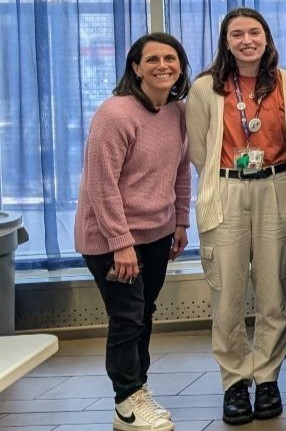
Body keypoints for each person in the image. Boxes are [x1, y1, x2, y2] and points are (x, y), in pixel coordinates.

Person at [186, 9, 286, 424]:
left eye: (254, 32)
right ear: (226, 41)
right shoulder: (204, 88)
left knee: (273, 294)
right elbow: (199, 153)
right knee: (228, 297)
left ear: (267, 38)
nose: (247, 40)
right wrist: (230, 177)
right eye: (237, 34)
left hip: (276, 188)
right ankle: (235, 381)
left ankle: (267, 378)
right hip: (227, 190)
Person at [76, 33, 192, 431]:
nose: (164, 66)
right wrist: (120, 244)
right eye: (153, 59)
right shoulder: (115, 113)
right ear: (136, 67)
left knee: (143, 314)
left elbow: (179, 170)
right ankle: (126, 401)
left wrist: (180, 221)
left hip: (157, 235)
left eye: (171, 59)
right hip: (112, 239)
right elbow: (101, 184)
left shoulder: (176, 112)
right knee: (126, 317)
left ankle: (137, 390)